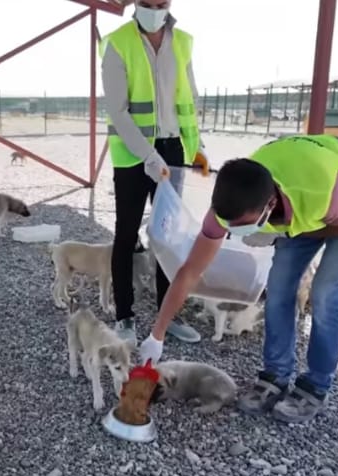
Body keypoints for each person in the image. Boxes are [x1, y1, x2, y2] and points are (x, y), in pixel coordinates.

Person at [138, 134, 338, 423]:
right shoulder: (228, 206)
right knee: (279, 289)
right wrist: (156, 335)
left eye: (245, 225)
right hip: (294, 211)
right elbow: (190, 272)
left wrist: (288, 232)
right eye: (231, 226)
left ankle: (316, 385)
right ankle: (276, 374)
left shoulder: (319, 191)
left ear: (270, 204)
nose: (236, 231)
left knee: (325, 294)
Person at [100, 0, 210, 346]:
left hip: (174, 149)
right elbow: (118, 111)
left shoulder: (183, 42)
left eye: (160, 3)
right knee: (127, 233)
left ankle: (168, 313)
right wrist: (147, 155)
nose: (154, 9)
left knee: (170, 235)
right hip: (134, 154)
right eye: (146, 3)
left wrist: (198, 148)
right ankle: (124, 317)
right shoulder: (118, 43)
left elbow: (187, 104)